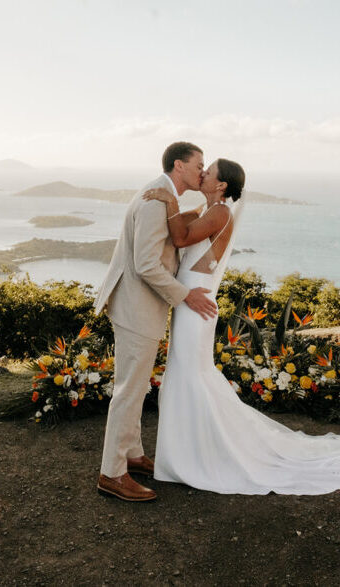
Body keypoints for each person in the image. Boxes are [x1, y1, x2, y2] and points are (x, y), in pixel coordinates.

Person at [144, 159, 340, 495]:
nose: (202, 173)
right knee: (187, 374)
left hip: (196, 304)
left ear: (221, 185)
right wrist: (167, 203)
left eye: (209, 170)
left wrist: (168, 198)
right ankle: (189, 451)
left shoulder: (219, 214)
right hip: (191, 301)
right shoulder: (208, 209)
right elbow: (176, 227)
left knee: (190, 375)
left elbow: (181, 236)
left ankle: (197, 455)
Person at [94, 142, 218, 502]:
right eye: (199, 165)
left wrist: (190, 205)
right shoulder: (155, 199)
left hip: (140, 306)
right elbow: (146, 263)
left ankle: (131, 456)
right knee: (129, 391)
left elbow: (181, 228)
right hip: (136, 308)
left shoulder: (165, 196)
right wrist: (185, 294)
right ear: (179, 165)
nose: (202, 171)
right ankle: (112, 473)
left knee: (133, 385)